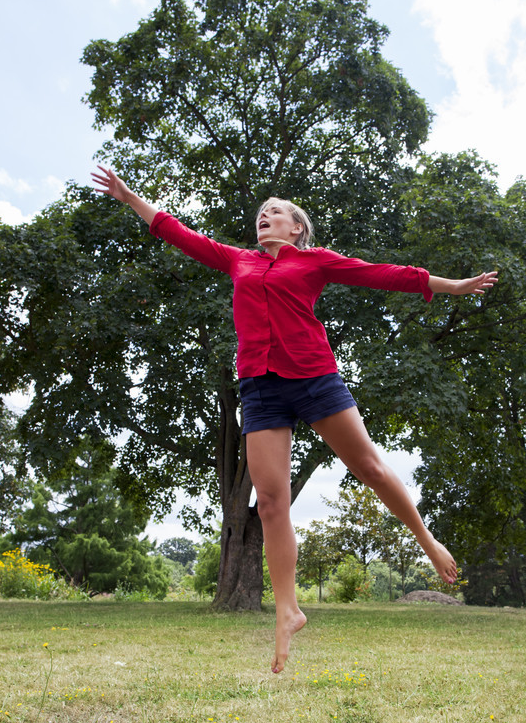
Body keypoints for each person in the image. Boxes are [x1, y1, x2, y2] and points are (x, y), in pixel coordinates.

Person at [92, 165, 498, 673]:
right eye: (262, 212)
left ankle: (427, 539)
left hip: (312, 377)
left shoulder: (314, 262)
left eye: (277, 211)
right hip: (260, 386)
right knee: (270, 503)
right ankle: (288, 609)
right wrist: (130, 197)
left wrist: (453, 286)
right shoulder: (238, 260)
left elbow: (383, 273)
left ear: (296, 228)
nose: (266, 215)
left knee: (369, 467)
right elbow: (180, 233)